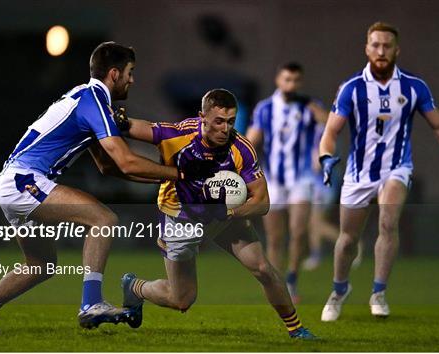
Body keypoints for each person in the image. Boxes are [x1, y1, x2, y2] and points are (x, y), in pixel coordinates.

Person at [0, 42, 216, 334]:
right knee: (103, 220)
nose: (132, 79)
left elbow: (109, 167)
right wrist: (182, 173)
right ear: (114, 73)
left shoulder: (87, 98)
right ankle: (90, 303)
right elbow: (128, 161)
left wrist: (168, 178)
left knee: (41, 264)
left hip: (14, 182)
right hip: (25, 181)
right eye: (130, 72)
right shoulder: (94, 100)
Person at [319, 22, 439, 321]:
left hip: (397, 168)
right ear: (367, 49)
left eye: (387, 46)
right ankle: (339, 289)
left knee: (388, 222)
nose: (381, 51)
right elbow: (331, 130)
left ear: (397, 50)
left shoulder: (413, 86)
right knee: (347, 239)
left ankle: (378, 292)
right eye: (376, 45)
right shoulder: (352, 88)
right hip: (359, 173)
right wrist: (325, 157)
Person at [112, 88, 317, 340]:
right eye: (219, 121)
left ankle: (296, 330)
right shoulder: (180, 135)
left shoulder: (241, 149)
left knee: (263, 268)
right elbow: (140, 127)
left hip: (222, 216)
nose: (225, 128)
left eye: (230, 121)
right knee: (182, 299)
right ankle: (135, 287)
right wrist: (118, 121)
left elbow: (262, 203)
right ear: (203, 118)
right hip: (180, 216)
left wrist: (229, 211)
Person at [246, 62, 327, 303]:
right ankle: (275, 283)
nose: (291, 85)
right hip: (272, 180)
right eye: (287, 80)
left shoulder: (310, 106)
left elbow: (331, 123)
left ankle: (291, 280)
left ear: (300, 82)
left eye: (295, 81)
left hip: (301, 179)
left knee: (299, 233)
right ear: (278, 81)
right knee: (274, 238)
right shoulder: (265, 108)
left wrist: (314, 110)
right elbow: (253, 138)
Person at [302, 123, 363, 271]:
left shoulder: (323, 136)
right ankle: (316, 255)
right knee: (313, 222)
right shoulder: (326, 134)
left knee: (315, 222)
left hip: (323, 187)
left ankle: (353, 243)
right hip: (321, 186)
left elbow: (318, 163)